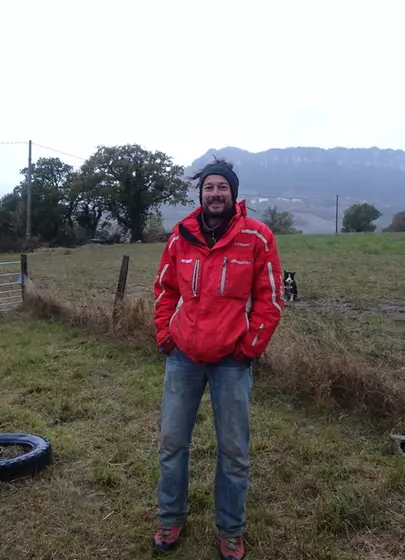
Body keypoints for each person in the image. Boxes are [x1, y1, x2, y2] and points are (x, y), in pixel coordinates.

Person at [152, 157, 284, 559]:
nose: (215, 193)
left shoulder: (257, 238)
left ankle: (231, 530)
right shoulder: (181, 236)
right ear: (200, 193)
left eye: (221, 187)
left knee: (234, 451)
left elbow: (271, 300)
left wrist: (250, 348)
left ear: (233, 194)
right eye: (209, 187)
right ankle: (171, 519)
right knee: (173, 444)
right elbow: (164, 289)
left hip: (232, 360)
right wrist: (164, 335)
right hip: (184, 358)